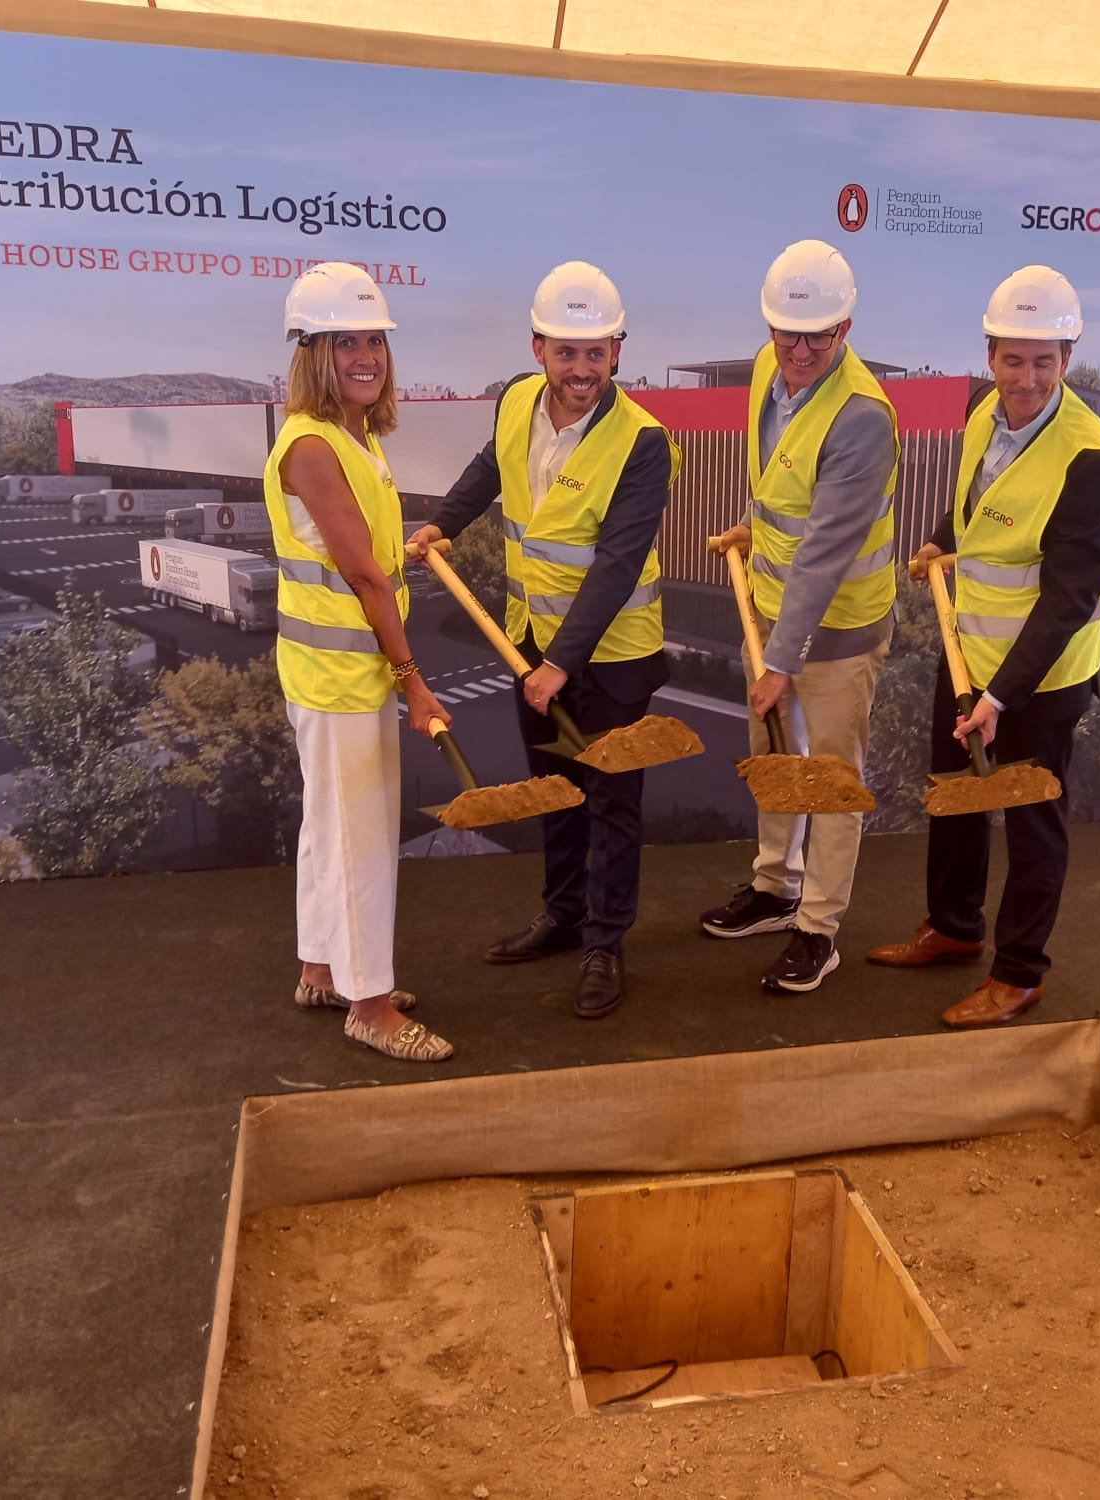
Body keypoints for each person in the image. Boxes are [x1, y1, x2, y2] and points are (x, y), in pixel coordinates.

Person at [407, 262, 679, 1020]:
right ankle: (562, 916)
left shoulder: (644, 441)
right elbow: (490, 465)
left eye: (596, 353)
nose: (581, 369)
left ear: (618, 352)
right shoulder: (517, 401)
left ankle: (605, 942)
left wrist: (563, 663)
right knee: (557, 791)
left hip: (612, 657)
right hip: (528, 644)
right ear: (539, 348)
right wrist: (445, 522)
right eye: (566, 352)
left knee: (612, 803)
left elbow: (620, 562)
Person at [868, 265, 1100, 1029]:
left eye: (1044, 362)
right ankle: (952, 926)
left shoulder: (1092, 461)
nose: (1026, 378)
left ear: (1067, 361)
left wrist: (1000, 698)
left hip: (1039, 681)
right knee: (953, 798)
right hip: (969, 655)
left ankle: (1019, 974)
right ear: (990, 356)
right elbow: (980, 510)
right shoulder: (983, 413)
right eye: (1012, 360)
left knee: (1030, 818)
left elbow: (1068, 600)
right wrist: (942, 541)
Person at [266, 262, 455, 1062]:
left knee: (329, 830)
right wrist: (414, 680)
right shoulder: (312, 446)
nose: (367, 356)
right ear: (314, 353)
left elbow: (374, 557)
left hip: (341, 673)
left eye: (374, 340)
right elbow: (365, 575)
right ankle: (369, 1006)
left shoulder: (355, 434)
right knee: (361, 842)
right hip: (341, 679)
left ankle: (320, 969)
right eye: (346, 342)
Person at [702, 239, 899, 994]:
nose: (803, 349)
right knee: (779, 759)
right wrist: (758, 529)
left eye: (822, 334)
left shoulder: (862, 418)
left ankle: (818, 928)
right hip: (775, 613)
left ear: (847, 329)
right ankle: (775, 888)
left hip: (839, 630)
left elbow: (824, 551)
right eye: (789, 332)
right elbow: (782, 486)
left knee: (830, 777)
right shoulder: (765, 367)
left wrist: (779, 663)